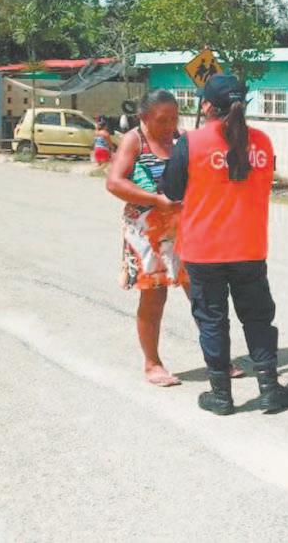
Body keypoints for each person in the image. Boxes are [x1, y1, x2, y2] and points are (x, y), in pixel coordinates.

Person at [161, 74, 288, 416]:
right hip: (249, 247)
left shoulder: (192, 142)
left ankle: (221, 395)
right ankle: (269, 389)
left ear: (207, 105)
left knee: (212, 320)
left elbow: (172, 191)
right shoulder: (262, 142)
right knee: (258, 319)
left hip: (204, 250)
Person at [106, 90, 188, 387]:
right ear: (143, 117)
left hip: (183, 228)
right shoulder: (134, 140)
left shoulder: (181, 139)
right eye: (162, 120)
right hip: (146, 230)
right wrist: (155, 200)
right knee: (155, 296)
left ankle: (218, 359)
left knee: (202, 293)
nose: (169, 125)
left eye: (174, 118)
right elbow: (114, 182)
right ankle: (152, 363)